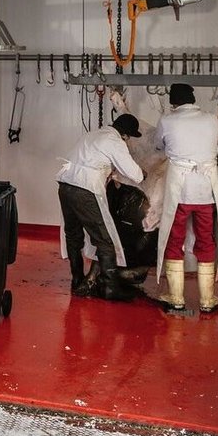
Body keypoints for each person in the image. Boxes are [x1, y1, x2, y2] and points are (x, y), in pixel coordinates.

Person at [56, 114, 146, 300]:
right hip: (85, 190)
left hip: (65, 186)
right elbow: (134, 174)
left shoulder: (92, 134)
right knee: (104, 240)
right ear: (126, 136)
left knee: (73, 235)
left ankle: (77, 280)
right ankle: (110, 288)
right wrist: (143, 174)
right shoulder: (115, 141)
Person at [154, 83, 218, 314]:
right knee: (206, 239)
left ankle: (176, 298)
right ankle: (207, 299)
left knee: (175, 239)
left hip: (180, 191)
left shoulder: (168, 120)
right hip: (206, 191)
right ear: (193, 99)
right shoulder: (213, 119)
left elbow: (158, 146)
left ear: (174, 102)